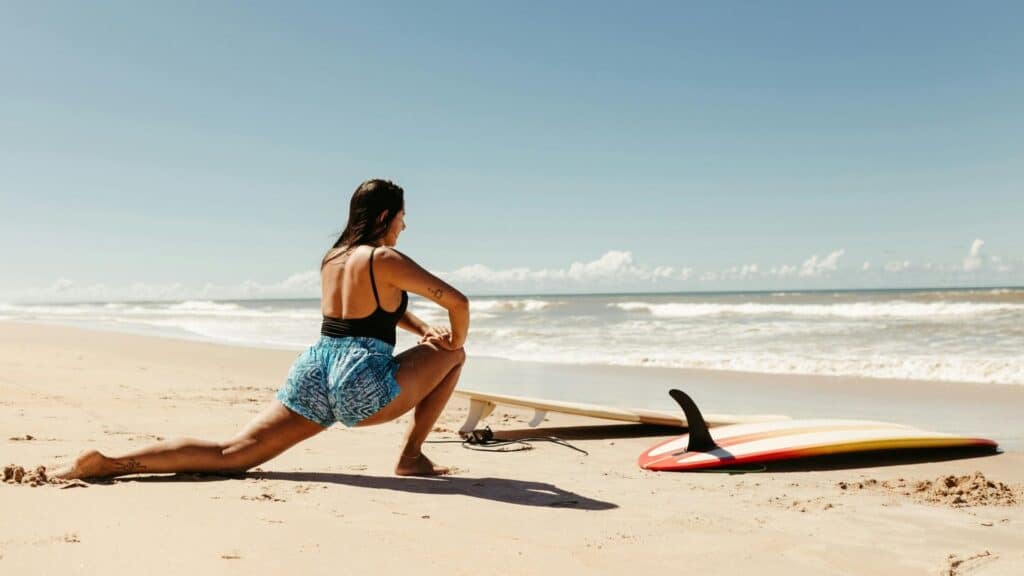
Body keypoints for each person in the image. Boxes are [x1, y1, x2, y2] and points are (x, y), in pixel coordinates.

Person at [56, 179, 469, 479]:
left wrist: (419, 329)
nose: (403, 227)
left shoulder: (334, 257)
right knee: (456, 356)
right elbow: (458, 302)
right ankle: (411, 457)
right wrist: (452, 341)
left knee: (231, 453)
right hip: (362, 382)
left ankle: (111, 463)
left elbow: (370, 312)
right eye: (401, 218)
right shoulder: (385, 258)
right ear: (384, 217)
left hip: (315, 370)